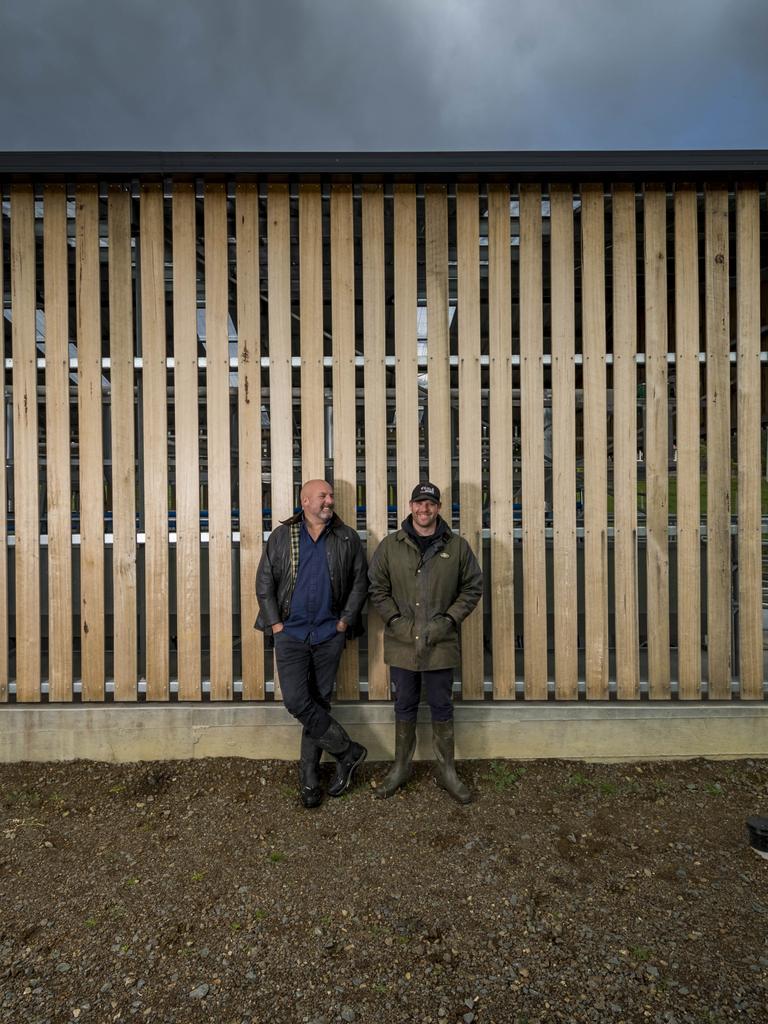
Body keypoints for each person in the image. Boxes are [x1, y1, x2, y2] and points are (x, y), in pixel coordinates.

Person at [368, 482, 483, 804]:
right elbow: (376, 587)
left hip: (440, 642)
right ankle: (401, 767)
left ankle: (447, 771)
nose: (424, 510)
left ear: (439, 507)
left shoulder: (457, 547)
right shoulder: (392, 546)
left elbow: (472, 588)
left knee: (441, 705)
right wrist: (394, 621)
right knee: (403, 704)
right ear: (409, 505)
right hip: (402, 642)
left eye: (430, 504)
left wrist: (448, 620)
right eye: (419, 503)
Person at [256, 479, 368, 808]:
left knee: (319, 704)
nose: (329, 501)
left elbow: (360, 583)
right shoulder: (282, 537)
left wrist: (343, 622)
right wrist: (276, 625)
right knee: (296, 702)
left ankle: (309, 778)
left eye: (331, 496)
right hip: (290, 634)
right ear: (305, 501)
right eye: (323, 496)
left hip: (328, 635)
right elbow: (264, 583)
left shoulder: (346, 537)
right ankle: (348, 752)